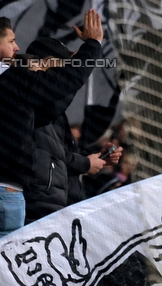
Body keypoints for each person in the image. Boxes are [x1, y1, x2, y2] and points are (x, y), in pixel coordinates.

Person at [0, 9, 104, 241]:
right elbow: (64, 82)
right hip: (6, 192)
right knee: (3, 273)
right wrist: (92, 44)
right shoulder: (15, 81)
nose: (17, 48)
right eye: (11, 41)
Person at [23, 37, 122, 222]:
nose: (67, 70)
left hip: (61, 203)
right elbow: (50, 155)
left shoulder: (56, 110)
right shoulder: (36, 105)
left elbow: (61, 153)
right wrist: (86, 164)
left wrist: (96, 157)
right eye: (64, 63)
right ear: (47, 63)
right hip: (40, 205)